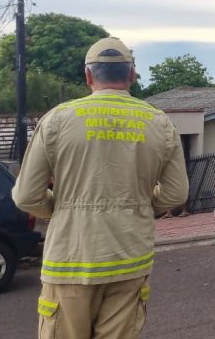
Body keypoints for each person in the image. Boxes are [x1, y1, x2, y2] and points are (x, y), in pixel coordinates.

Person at [12, 37, 189, 339]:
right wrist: (139, 205)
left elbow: (27, 195)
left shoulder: (57, 120)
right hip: (129, 258)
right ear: (131, 74)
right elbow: (176, 193)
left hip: (69, 258)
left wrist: (60, 208)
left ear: (88, 76)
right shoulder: (160, 123)